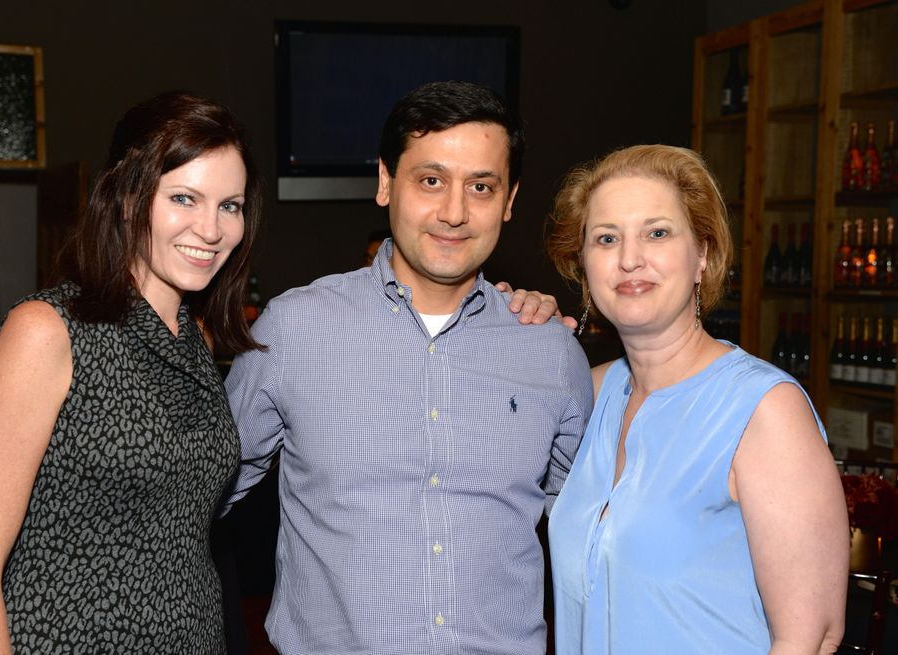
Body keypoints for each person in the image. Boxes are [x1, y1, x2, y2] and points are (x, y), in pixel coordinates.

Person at [223, 81, 593, 654]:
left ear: (511, 200)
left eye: (481, 186)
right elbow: (197, 493)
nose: (454, 212)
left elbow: (593, 535)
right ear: (385, 182)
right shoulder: (292, 331)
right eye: (431, 180)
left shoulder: (549, 351)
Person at [0, 91, 262, 654]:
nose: (211, 230)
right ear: (128, 197)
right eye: (185, 198)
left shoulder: (195, 336)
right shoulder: (46, 331)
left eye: (229, 206)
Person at [545, 144, 849, 654]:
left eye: (657, 233)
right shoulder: (588, 394)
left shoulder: (764, 409)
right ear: (583, 266)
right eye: (606, 238)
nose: (629, 258)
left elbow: (809, 638)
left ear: (702, 255)